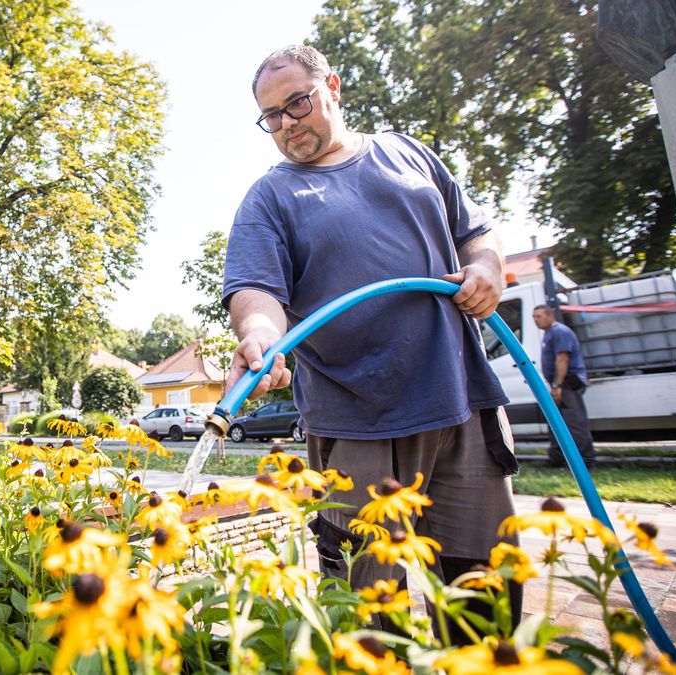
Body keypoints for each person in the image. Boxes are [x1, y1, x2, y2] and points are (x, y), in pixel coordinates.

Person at [221, 45, 521, 628]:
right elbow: (256, 293)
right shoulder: (270, 198)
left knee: (484, 602)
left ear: (332, 86)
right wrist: (260, 338)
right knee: (366, 613)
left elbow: (478, 235)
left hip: (462, 403)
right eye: (271, 117)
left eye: (297, 103)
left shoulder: (408, 153)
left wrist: (487, 268)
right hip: (360, 424)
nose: (286, 124)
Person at [532, 304, 596, 468]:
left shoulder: (560, 331)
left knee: (575, 423)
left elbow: (563, 359)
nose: (535, 320)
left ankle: (586, 461)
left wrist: (557, 385)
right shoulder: (549, 334)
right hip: (559, 384)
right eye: (533, 317)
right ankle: (557, 458)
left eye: (538, 316)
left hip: (567, 382)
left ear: (550, 316)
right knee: (556, 421)